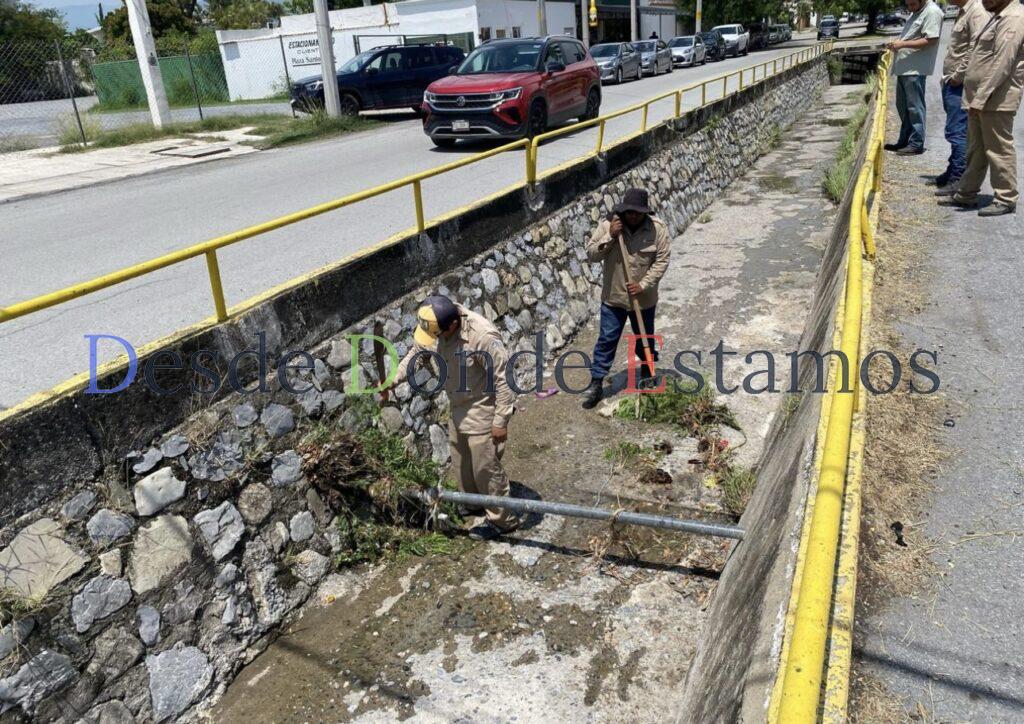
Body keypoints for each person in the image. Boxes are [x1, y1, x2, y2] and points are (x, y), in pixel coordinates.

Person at [386, 295, 520, 540]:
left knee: (485, 468)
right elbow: (418, 353)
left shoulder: (482, 336)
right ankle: (473, 505)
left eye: (438, 335)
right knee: (462, 463)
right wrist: (393, 379)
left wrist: (500, 421)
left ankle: (503, 520)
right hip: (458, 406)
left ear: (453, 326)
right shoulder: (435, 327)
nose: (434, 339)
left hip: (483, 408)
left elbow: (504, 380)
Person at [581, 188, 671, 410]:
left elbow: (662, 261)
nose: (632, 216)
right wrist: (610, 236)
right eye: (629, 212)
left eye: (637, 213)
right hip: (614, 298)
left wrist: (643, 284)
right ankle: (596, 383)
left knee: (645, 337)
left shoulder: (657, 229)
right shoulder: (608, 226)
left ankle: (648, 372)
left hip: (644, 299)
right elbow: (591, 254)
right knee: (607, 339)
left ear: (644, 212)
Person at [945, 0, 1024, 216]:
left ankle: (1005, 198)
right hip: (980, 98)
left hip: (996, 99)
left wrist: (980, 98)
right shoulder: (997, 16)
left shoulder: (1014, 17)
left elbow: (1002, 62)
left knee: (998, 150)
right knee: (976, 149)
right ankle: (966, 192)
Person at [934, 0, 990, 189]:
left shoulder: (977, 11)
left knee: (957, 132)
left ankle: (958, 179)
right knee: (955, 131)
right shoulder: (964, 11)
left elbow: (976, 49)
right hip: (953, 82)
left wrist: (958, 76)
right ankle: (953, 170)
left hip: (961, 84)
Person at [885, 0, 945, 155]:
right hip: (904, 68)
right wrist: (897, 44)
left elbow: (931, 39)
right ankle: (904, 141)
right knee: (903, 107)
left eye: (912, 4)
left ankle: (916, 143)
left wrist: (902, 45)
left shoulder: (932, 12)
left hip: (915, 69)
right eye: (908, 4)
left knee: (915, 107)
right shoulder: (917, 11)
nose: (909, 7)